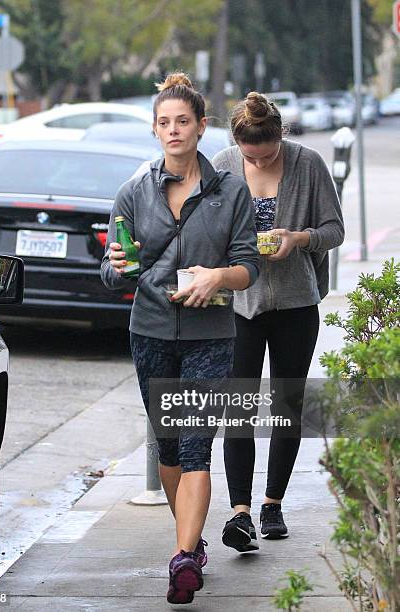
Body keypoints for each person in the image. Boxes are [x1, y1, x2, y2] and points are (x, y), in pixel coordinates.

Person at [101, 73, 259, 604]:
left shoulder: (229, 190)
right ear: (155, 129)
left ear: (201, 127)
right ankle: (188, 547)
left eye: (183, 121)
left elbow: (249, 268)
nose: (174, 130)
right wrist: (118, 266)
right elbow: (110, 271)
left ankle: (183, 559)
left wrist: (217, 276)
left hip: (210, 334)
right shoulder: (132, 191)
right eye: (164, 123)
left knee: (195, 448)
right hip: (149, 334)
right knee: (168, 447)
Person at [212, 92, 344, 553]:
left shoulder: (308, 164)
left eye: (268, 153)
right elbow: (204, 228)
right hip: (238, 304)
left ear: (281, 136)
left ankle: (272, 505)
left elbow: (335, 229)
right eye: (252, 155)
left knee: (287, 406)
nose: (260, 160)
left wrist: (299, 237)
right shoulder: (223, 165)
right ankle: (240, 513)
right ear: (237, 145)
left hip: (295, 304)